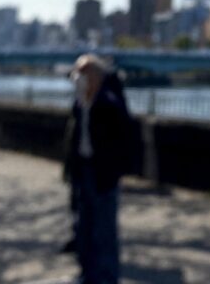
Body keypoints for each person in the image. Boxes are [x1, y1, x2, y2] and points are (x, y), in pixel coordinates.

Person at [63, 55, 132, 284]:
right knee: (85, 228)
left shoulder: (108, 102)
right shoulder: (81, 102)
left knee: (104, 231)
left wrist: (114, 171)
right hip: (83, 171)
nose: (78, 77)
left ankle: (107, 277)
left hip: (103, 174)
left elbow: (123, 139)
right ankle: (88, 274)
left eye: (83, 73)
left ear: (95, 75)